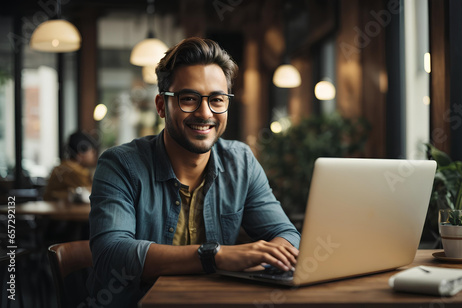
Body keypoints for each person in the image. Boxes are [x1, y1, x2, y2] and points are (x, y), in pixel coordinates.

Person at [87, 37, 300, 307]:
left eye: (217, 99)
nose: (204, 112)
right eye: (188, 99)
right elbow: (111, 255)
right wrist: (215, 256)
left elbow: (287, 234)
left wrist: (274, 254)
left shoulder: (241, 161)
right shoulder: (120, 164)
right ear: (162, 105)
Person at [43, 131, 98, 202]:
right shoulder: (75, 171)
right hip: (59, 212)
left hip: (54, 210)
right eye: (92, 151)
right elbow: (94, 193)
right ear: (81, 150)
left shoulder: (63, 166)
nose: (94, 155)